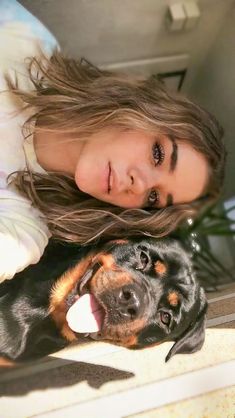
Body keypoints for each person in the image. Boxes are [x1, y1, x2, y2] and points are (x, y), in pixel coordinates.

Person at [0, 0, 226, 282]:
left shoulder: (25, 230)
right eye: (158, 154)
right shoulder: (23, 38)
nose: (139, 185)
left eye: (153, 198)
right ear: (142, 106)